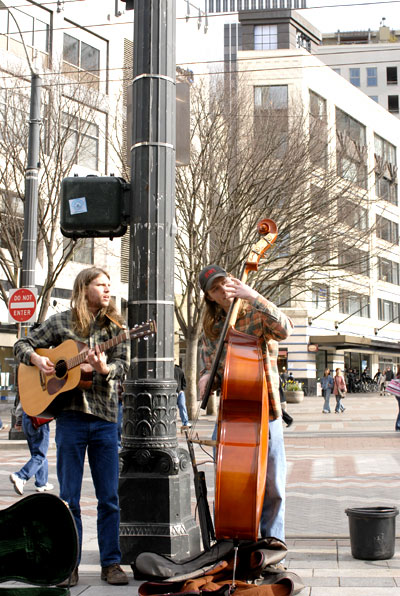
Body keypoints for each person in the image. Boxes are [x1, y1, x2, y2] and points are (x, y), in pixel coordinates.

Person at [13, 267, 130, 587]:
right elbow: (22, 344)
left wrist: (104, 367)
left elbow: (123, 366)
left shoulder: (117, 326)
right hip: (70, 419)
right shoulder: (61, 322)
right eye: (101, 284)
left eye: (110, 285)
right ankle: (70, 564)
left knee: (108, 498)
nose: (108, 290)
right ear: (84, 288)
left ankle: (111, 563)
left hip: (106, 419)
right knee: (69, 498)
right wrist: (38, 361)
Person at [198, 264, 293, 543]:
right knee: (232, 483)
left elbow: (286, 328)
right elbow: (211, 370)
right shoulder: (213, 328)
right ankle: (238, 540)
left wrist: (252, 295)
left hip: (268, 411)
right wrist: (205, 378)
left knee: (274, 486)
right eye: (215, 289)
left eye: (225, 283)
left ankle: (274, 545)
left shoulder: (256, 313)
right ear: (210, 297)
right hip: (232, 414)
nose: (223, 291)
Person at [9, 412, 53, 495]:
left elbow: (20, 405)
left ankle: (42, 482)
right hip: (39, 418)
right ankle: (21, 476)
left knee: (38, 453)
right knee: (40, 455)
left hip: (27, 418)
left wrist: (19, 421)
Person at [174, 364, 191, 429]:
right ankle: (174, 422)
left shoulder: (179, 370)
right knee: (174, 408)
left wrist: (182, 389)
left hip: (179, 392)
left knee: (182, 406)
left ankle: (185, 422)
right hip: (173, 392)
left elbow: (183, 381)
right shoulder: (168, 370)